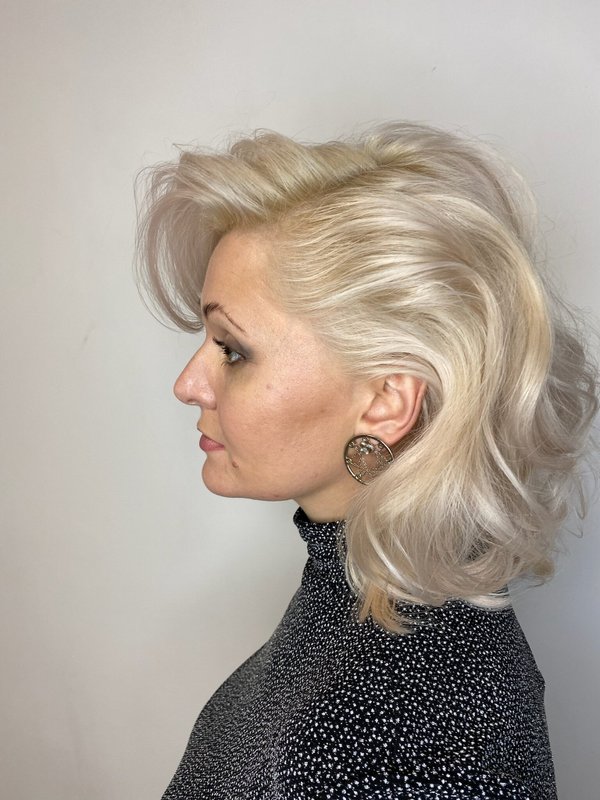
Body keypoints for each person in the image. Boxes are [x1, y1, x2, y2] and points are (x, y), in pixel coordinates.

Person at [136, 122, 599, 799]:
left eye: (232, 350)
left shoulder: (391, 735)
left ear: (386, 402)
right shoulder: (371, 600)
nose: (188, 384)